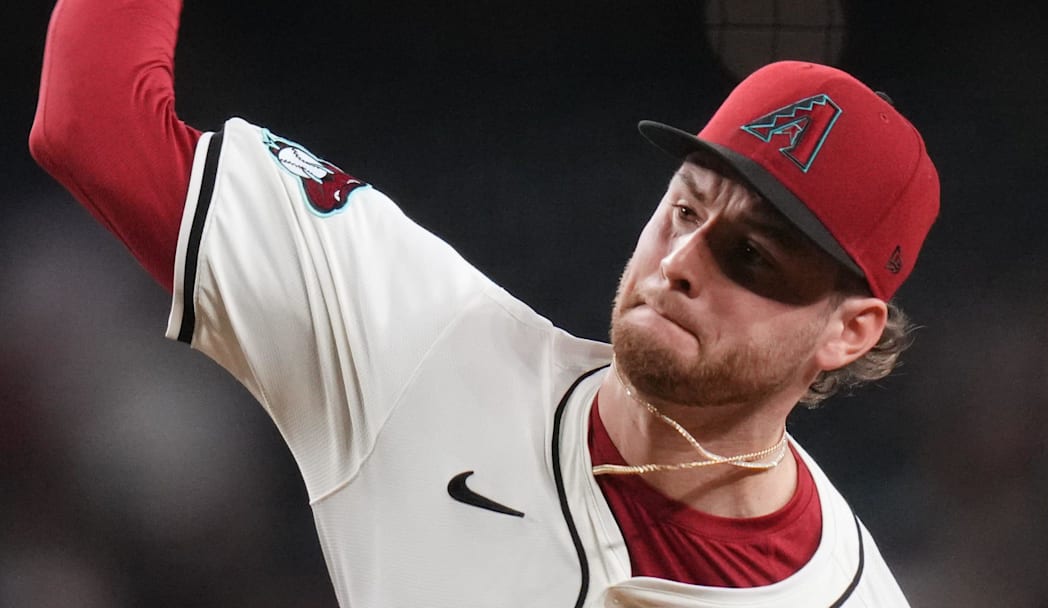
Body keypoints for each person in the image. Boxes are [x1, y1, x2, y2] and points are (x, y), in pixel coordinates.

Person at [29, 0, 938, 606]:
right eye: (685, 209)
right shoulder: (420, 344)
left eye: (751, 257)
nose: (682, 263)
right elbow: (92, 123)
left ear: (849, 332)